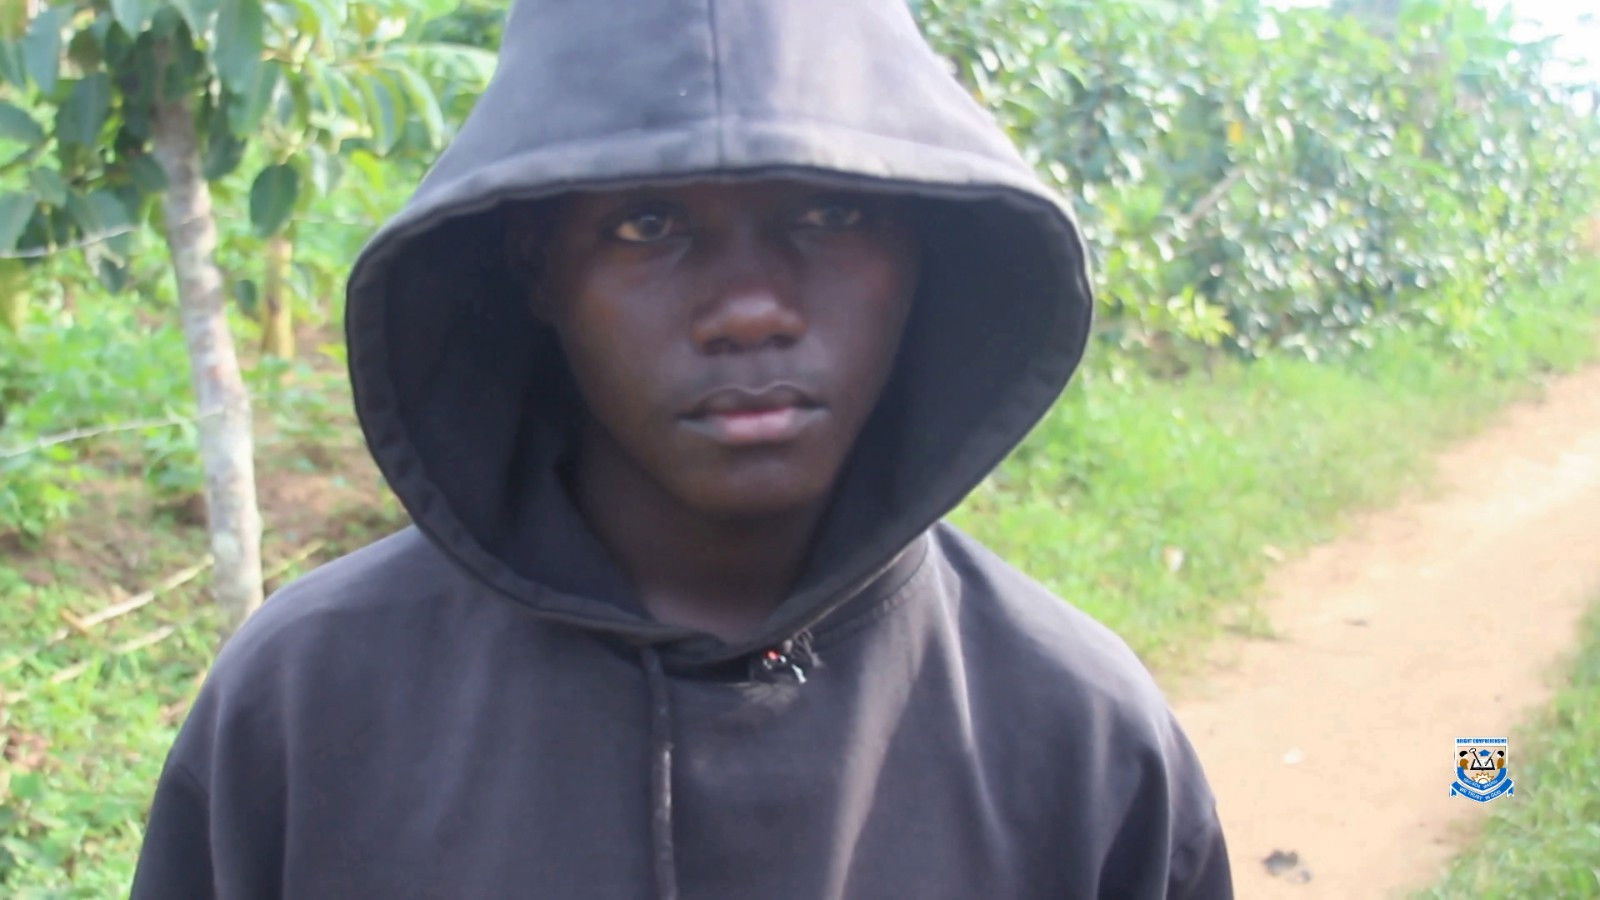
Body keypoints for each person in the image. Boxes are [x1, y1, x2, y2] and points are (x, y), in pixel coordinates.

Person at [131, 0, 1233, 897]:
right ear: (536, 263)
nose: (751, 307)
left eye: (830, 214)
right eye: (648, 225)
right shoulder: (305, 709)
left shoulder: (1081, 739)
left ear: (925, 247)